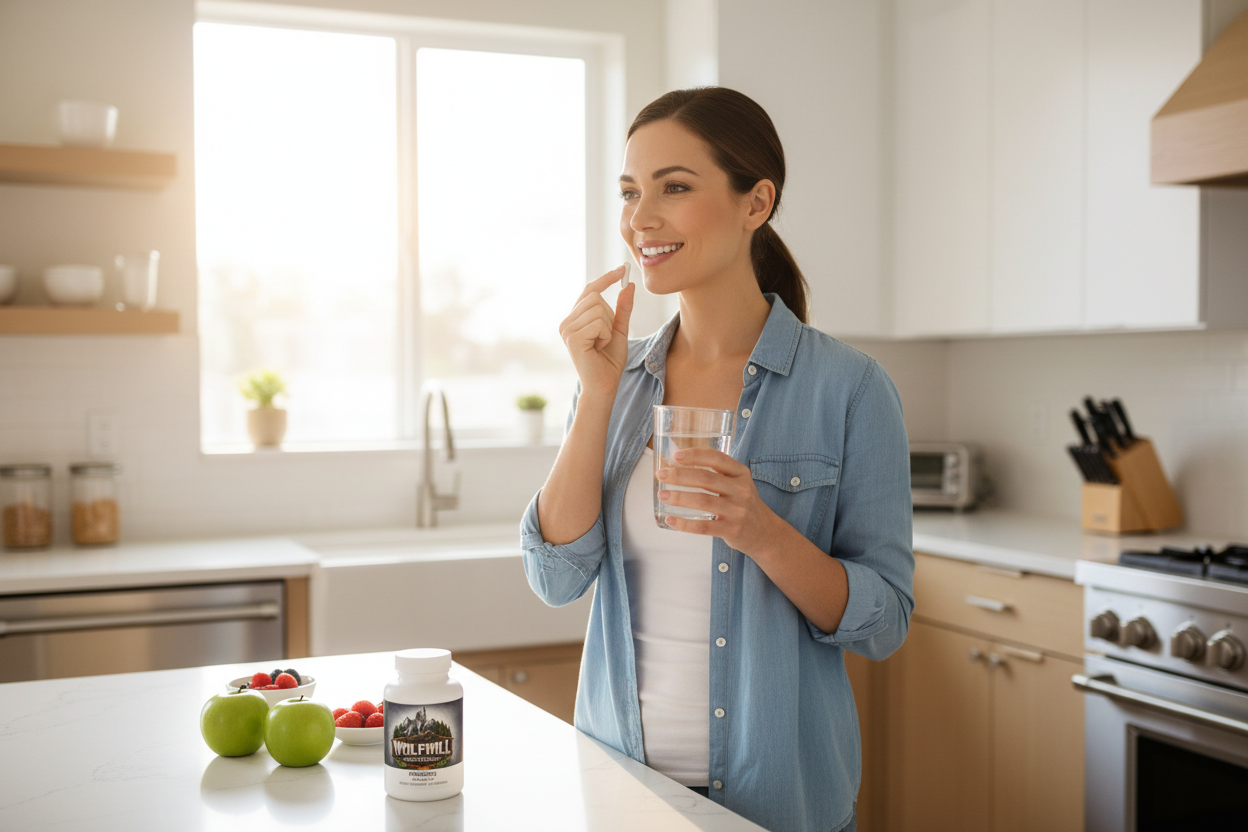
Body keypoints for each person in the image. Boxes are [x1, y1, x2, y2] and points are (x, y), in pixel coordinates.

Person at [520, 87, 914, 832]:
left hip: (780, 803)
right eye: (630, 192)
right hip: (623, 794)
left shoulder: (850, 389)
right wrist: (598, 395)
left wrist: (760, 531)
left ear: (755, 203)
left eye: (674, 187)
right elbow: (554, 578)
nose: (641, 219)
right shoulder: (615, 381)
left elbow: (884, 622)